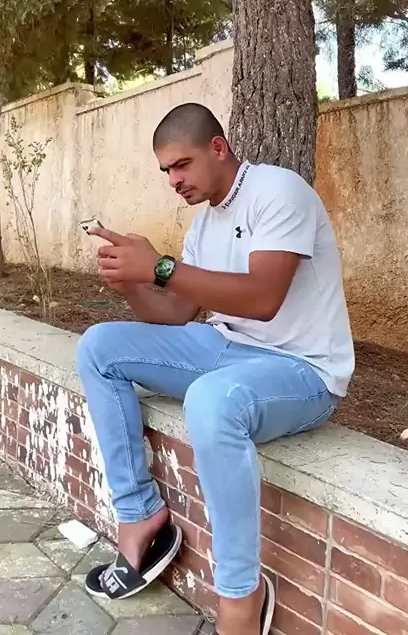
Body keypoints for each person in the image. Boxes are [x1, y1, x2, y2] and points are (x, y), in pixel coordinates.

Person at [76, 103, 354, 635]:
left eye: (181, 164)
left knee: (210, 400)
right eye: (166, 171)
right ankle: (139, 514)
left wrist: (161, 267)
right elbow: (176, 313)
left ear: (218, 148)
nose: (173, 180)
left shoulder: (278, 191)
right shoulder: (205, 224)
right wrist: (134, 281)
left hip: (303, 370)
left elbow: (263, 298)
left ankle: (241, 594)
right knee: (98, 347)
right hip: (226, 347)